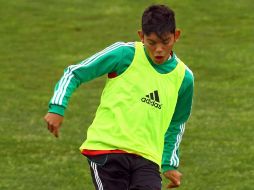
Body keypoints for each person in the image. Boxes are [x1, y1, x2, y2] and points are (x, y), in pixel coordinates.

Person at [44, 4, 194, 190]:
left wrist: (169, 163)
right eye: (152, 42)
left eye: (165, 42)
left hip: (147, 159)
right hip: (107, 151)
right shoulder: (124, 54)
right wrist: (57, 107)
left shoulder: (184, 78)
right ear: (141, 36)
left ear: (176, 36)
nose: (159, 50)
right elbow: (74, 73)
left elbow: (177, 123)